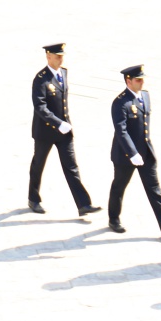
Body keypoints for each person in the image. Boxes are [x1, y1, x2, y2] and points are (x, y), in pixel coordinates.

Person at [108, 65, 161, 236]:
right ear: (128, 81)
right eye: (138, 80)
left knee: (154, 187)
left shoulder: (145, 96)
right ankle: (113, 218)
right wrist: (132, 153)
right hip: (126, 155)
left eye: (142, 79)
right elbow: (122, 131)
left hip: (146, 152)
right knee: (119, 186)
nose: (141, 82)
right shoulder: (120, 103)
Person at [27, 43, 101, 216]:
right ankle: (33, 198)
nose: (60, 59)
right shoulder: (41, 79)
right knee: (38, 164)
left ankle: (83, 204)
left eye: (62, 56)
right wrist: (58, 123)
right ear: (48, 56)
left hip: (64, 131)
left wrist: (65, 124)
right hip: (45, 131)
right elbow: (40, 106)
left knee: (71, 166)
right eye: (57, 56)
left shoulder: (63, 73)